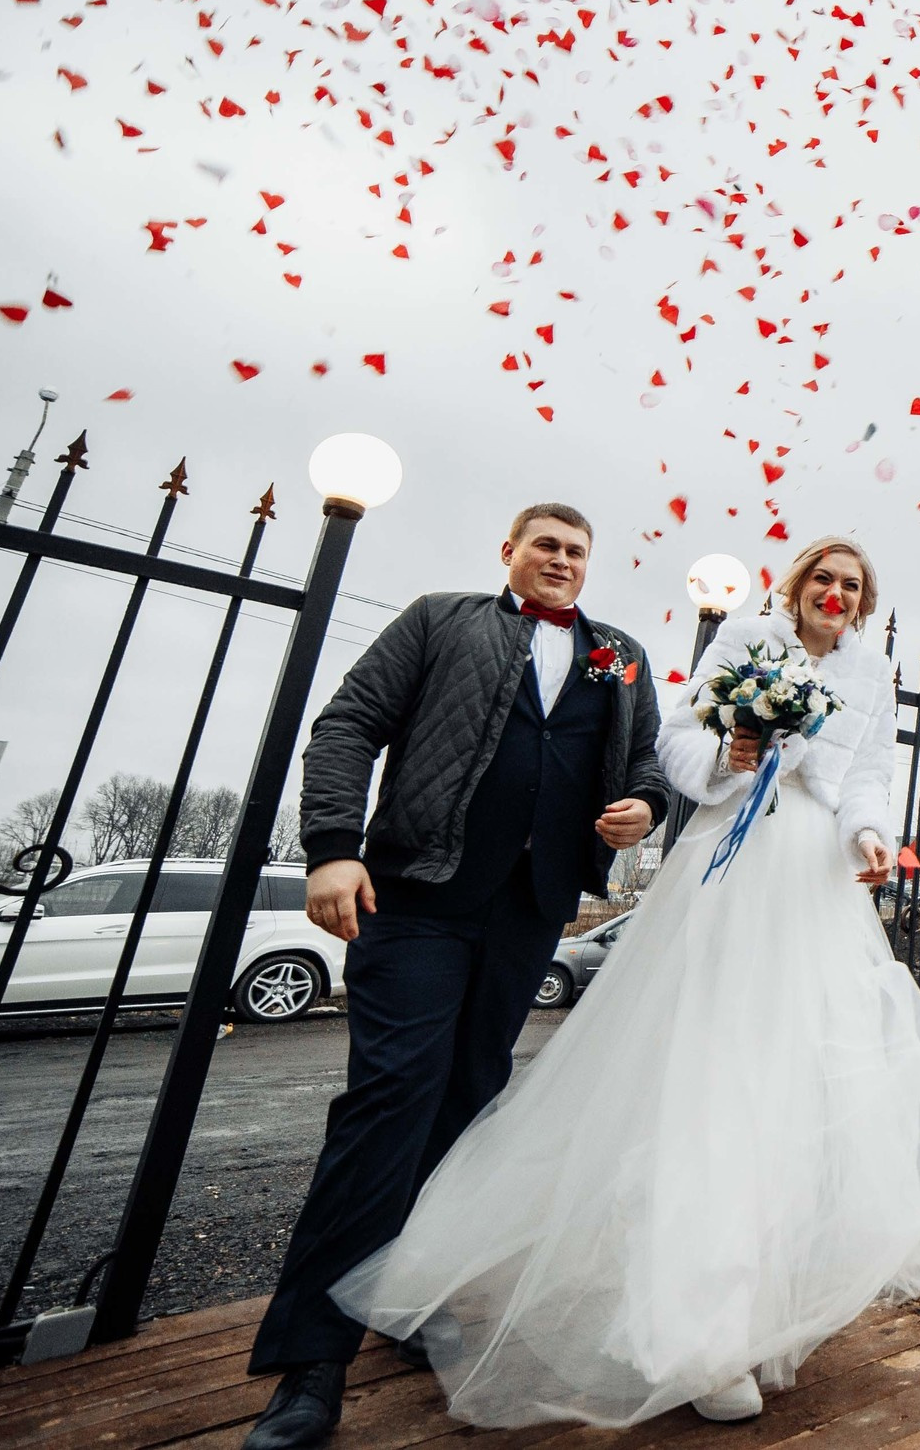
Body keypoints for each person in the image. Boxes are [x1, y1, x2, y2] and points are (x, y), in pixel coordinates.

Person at [329, 536, 920, 1428]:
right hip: (728, 872)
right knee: (710, 1085)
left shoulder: (871, 673)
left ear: (862, 602)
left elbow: (869, 777)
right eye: (823, 578)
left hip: (811, 883)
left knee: (793, 1094)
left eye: (852, 585)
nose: (835, 593)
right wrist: (738, 753)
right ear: (795, 585)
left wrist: (870, 837)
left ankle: (762, 1315)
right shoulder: (742, 646)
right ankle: (699, 1332)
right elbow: (679, 743)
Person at [245, 505, 669, 1450]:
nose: (561, 560)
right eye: (546, 545)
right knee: (391, 1097)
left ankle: (408, 1290)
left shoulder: (622, 654)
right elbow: (348, 723)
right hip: (418, 896)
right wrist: (329, 848)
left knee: (471, 1094)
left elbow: (644, 763)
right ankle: (311, 1364)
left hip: (530, 911)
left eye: (577, 551)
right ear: (508, 551)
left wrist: (647, 803)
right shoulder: (442, 619)